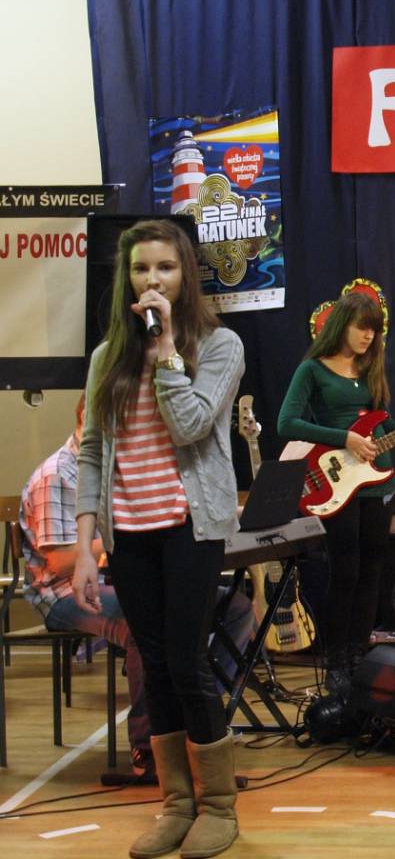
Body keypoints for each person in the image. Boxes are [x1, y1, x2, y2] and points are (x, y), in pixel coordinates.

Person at [72, 218, 244, 859]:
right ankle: (176, 804)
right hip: (129, 533)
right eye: (141, 269)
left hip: (189, 526)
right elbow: (93, 451)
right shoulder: (105, 358)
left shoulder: (220, 345)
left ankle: (218, 807)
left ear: (185, 275)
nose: (153, 280)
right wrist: (86, 544)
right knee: (155, 668)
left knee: (187, 662)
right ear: (127, 278)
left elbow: (193, 424)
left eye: (165, 268)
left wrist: (166, 350)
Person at [19, 394, 153, 779]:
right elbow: (60, 562)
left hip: (113, 581)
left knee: (231, 609)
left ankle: (191, 719)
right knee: (146, 623)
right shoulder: (57, 474)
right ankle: (149, 746)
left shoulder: (114, 469)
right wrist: (121, 543)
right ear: (88, 419)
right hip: (61, 594)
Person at [277, 292, 395, 695]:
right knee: (345, 571)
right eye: (362, 328)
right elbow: (286, 423)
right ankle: (336, 661)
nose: (368, 336)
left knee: (372, 570)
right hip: (335, 481)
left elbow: (381, 420)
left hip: (377, 480)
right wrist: (343, 438)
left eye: (374, 330)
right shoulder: (312, 370)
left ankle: (360, 655)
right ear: (342, 325)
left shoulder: (371, 367)